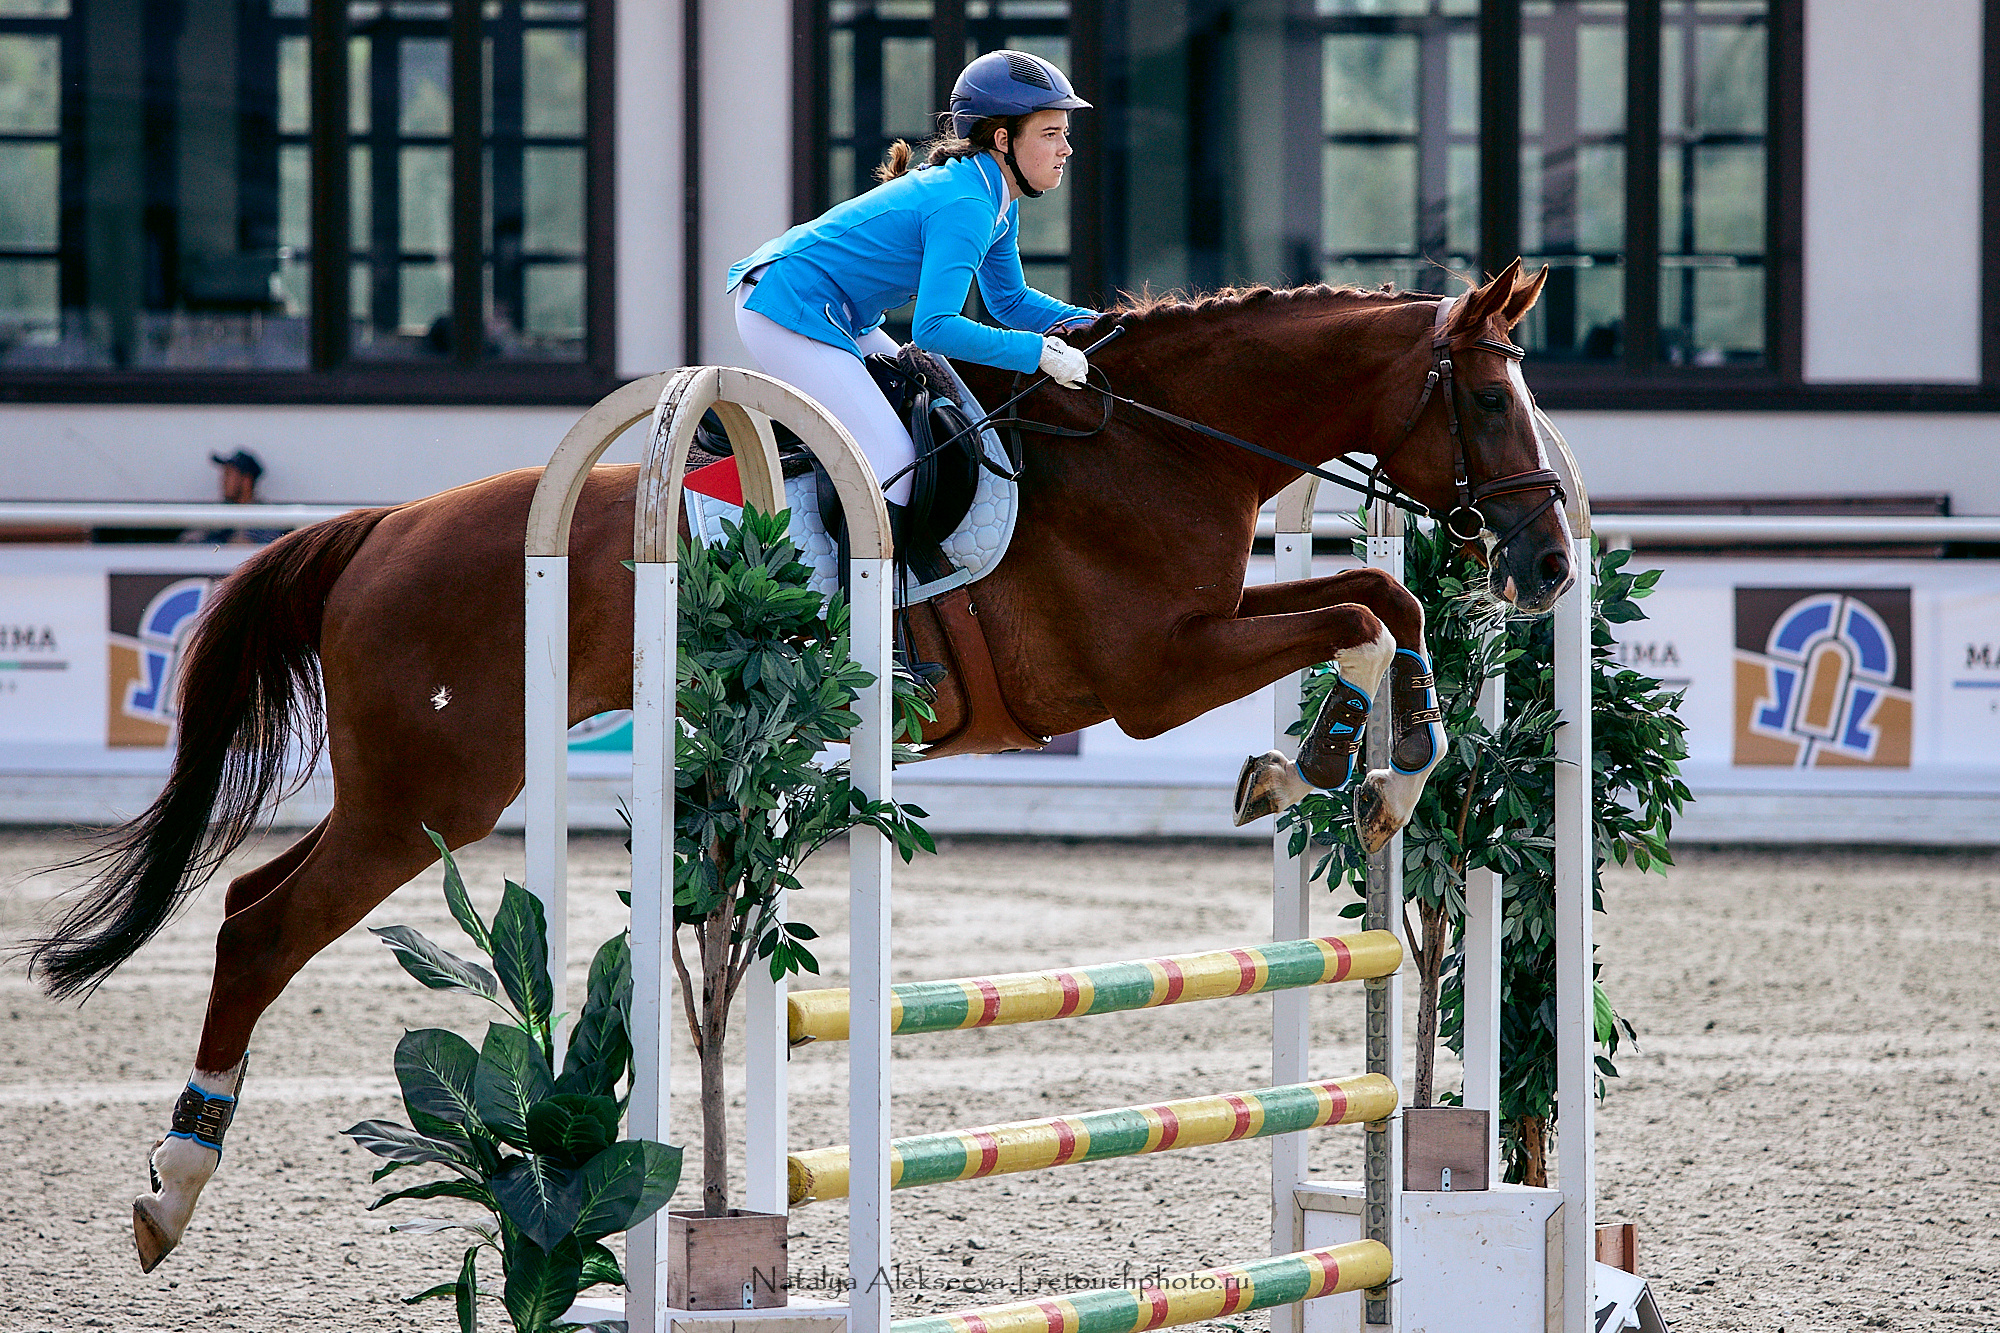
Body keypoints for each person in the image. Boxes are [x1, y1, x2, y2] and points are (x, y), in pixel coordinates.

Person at [727, 49, 1100, 508]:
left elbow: (1010, 301)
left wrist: (1099, 323)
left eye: (1064, 133)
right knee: (896, 459)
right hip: (786, 304)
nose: (1066, 148)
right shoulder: (967, 206)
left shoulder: (996, 198)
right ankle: (866, 582)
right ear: (1003, 139)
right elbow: (934, 329)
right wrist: (1036, 351)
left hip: (836, 312)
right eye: (1051, 134)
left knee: (933, 427)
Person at [185, 449, 284, 545]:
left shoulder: (267, 517)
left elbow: (261, 549)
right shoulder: (218, 512)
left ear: (246, 481)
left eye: (229, 475)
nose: (223, 481)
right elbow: (191, 539)